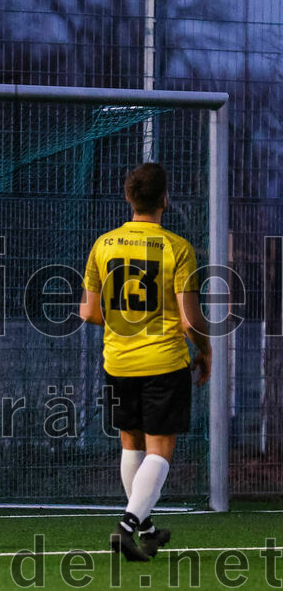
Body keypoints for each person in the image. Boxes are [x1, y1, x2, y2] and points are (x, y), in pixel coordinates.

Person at [80, 163, 211, 562]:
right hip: (163, 362)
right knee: (160, 451)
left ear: (127, 198)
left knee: (131, 442)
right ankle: (126, 526)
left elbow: (87, 312)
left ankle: (148, 529)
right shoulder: (176, 247)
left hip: (118, 362)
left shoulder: (104, 245)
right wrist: (204, 350)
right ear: (164, 199)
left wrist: (123, 322)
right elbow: (190, 320)